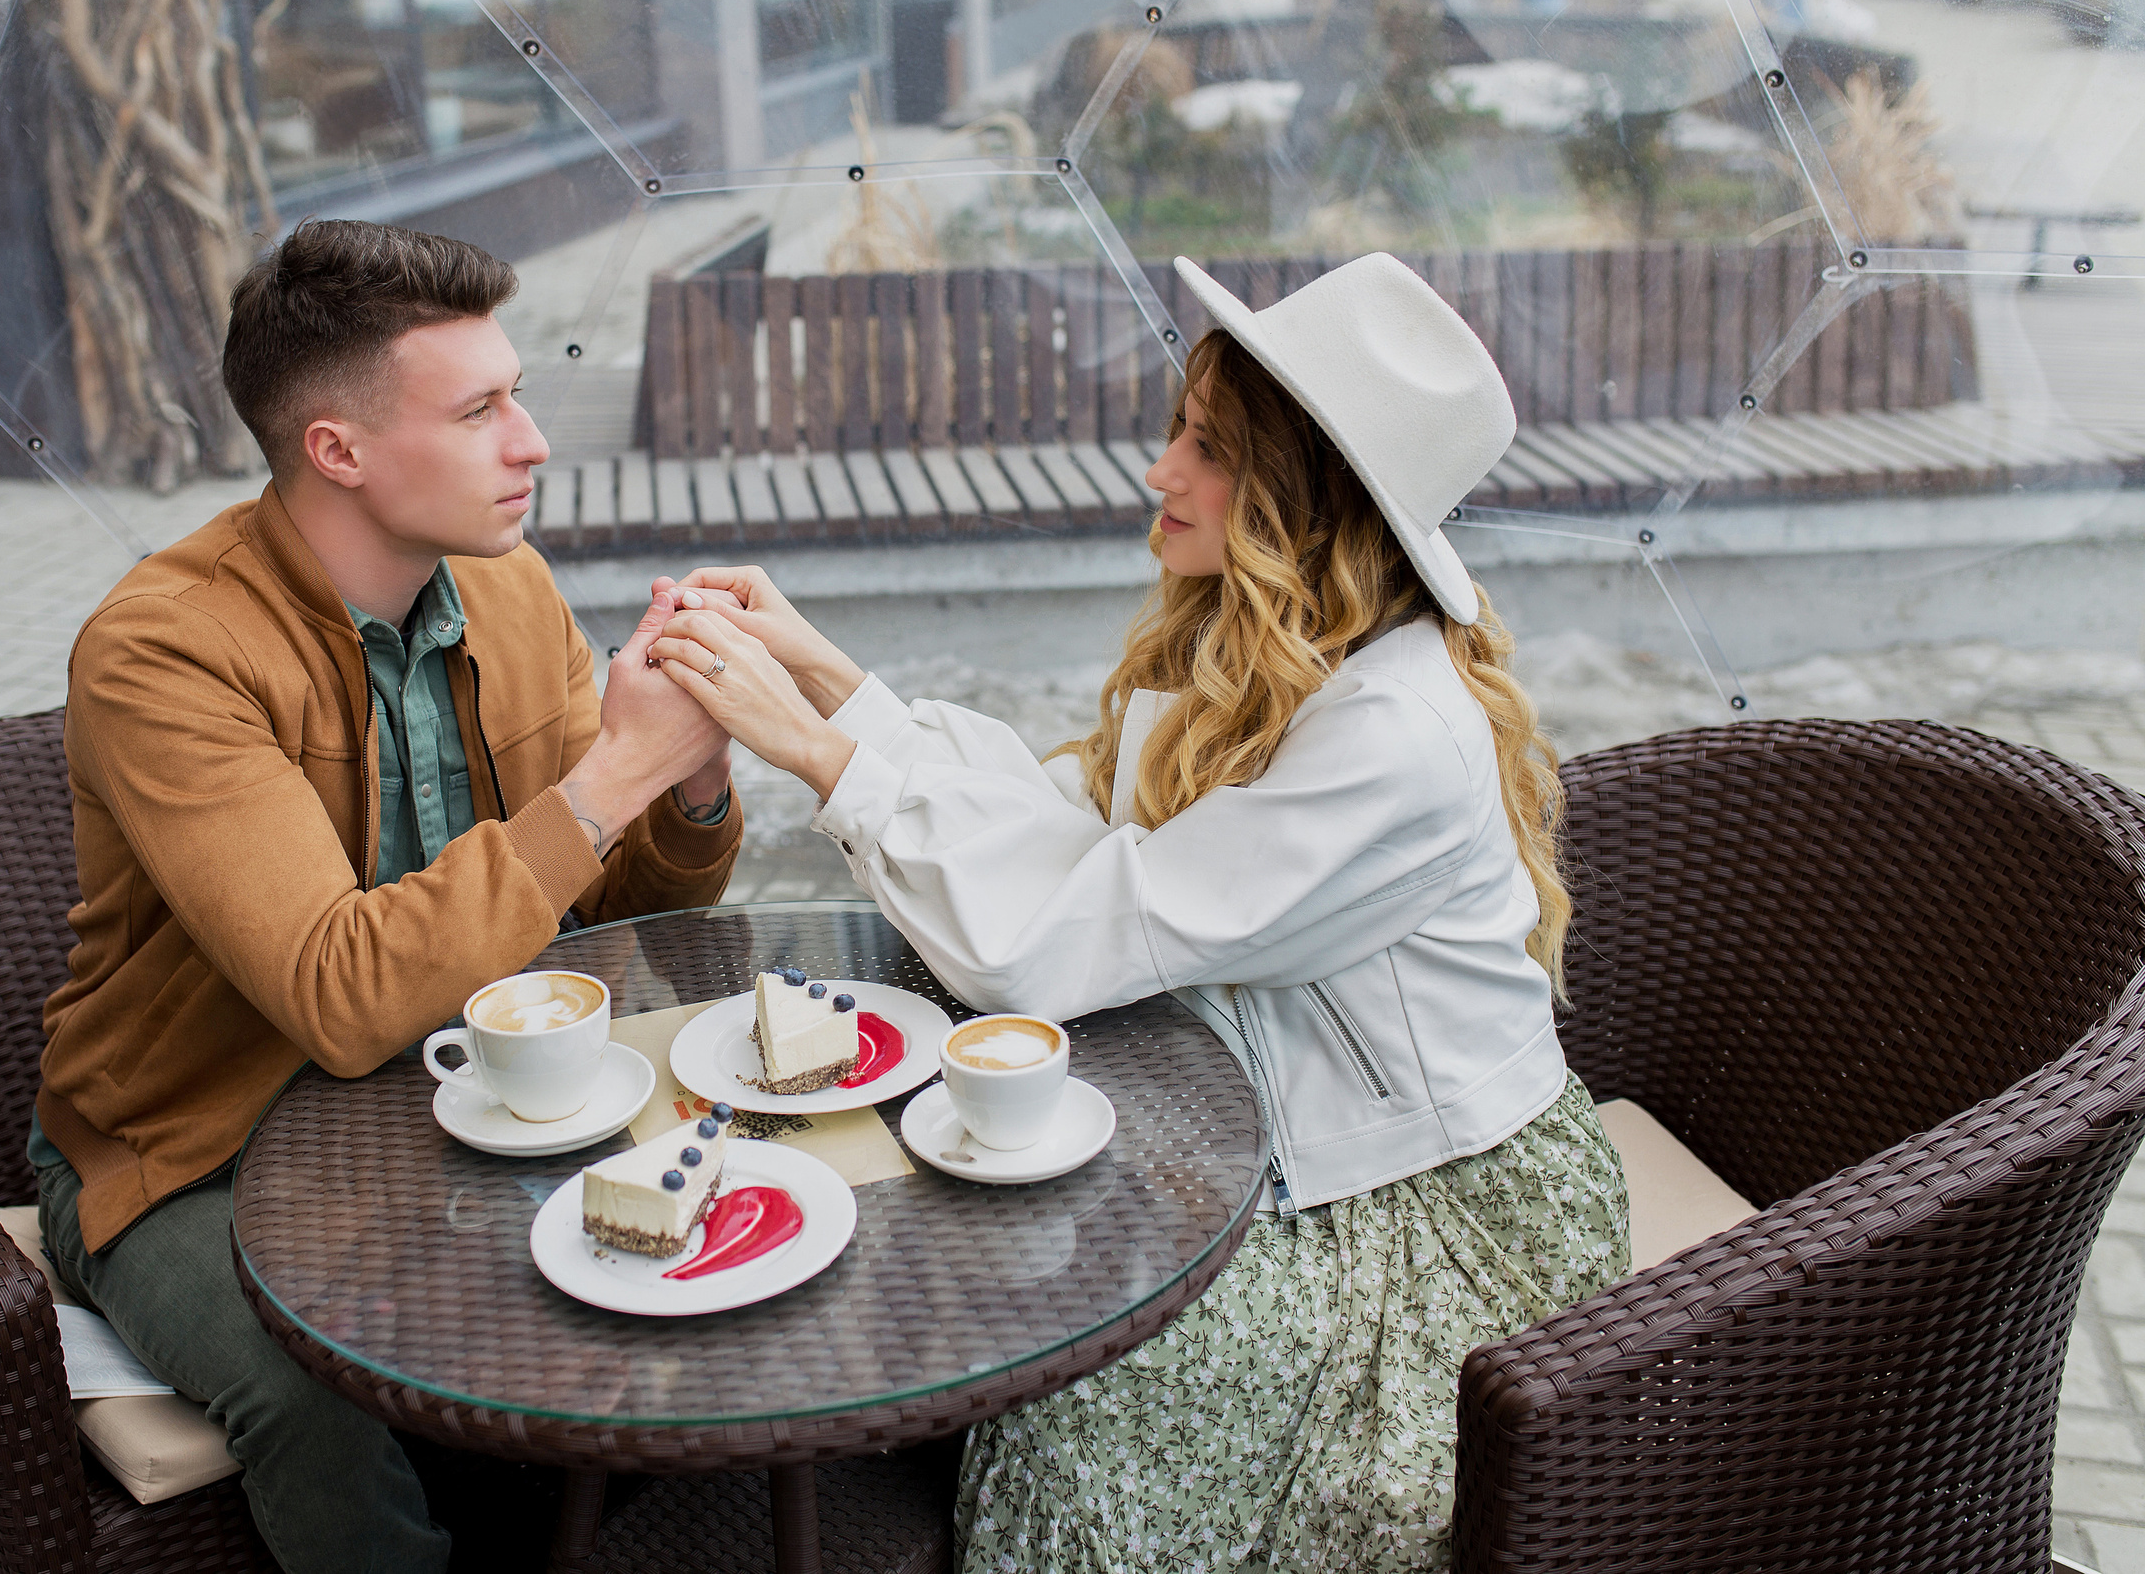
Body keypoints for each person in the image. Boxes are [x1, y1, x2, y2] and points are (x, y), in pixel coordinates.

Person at [642, 252, 1630, 1572]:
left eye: (1209, 450)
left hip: (1418, 1220)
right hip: (1254, 1142)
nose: (1162, 471)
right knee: (968, 1242)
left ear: (1307, 502)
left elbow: (1065, 938)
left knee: (1088, 1404)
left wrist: (821, 759)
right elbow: (1079, 831)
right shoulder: (1267, 645)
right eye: (1180, 428)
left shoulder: (1391, 732)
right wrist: (834, 680)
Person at [29, 219, 742, 1573]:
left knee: (714, 1227)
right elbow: (343, 999)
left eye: (515, 394)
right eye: (478, 411)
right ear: (338, 452)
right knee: (314, 1398)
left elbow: (633, 911)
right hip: (187, 1147)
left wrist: (691, 782)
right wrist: (605, 785)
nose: (531, 441)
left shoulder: (507, 586)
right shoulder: (162, 652)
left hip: (452, 1096)